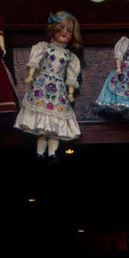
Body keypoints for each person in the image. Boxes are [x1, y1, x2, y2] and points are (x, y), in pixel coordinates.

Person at [14, 11, 83, 160]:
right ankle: (40, 152)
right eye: (62, 28)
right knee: (42, 126)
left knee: (55, 125)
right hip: (42, 85)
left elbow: (71, 76)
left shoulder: (70, 56)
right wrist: (30, 75)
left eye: (69, 31)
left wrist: (70, 93)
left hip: (58, 89)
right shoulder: (43, 47)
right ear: (53, 28)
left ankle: (52, 153)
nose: (65, 32)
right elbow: (34, 62)